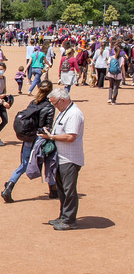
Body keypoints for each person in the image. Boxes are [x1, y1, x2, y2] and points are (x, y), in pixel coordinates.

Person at [1, 80, 54, 203]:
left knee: (24, 164)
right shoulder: (49, 107)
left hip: (28, 137)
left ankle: (9, 186)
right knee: (49, 161)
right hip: (40, 138)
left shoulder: (33, 103)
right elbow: (47, 127)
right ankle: (53, 189)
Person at [45, 87, 85, 230]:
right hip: (61, 158)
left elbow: (70, 136)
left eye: (55, 103)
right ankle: (63, 216)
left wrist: (51, 137)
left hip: (70, 159)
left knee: (69, 190)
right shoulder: (64, 112)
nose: (54, 106)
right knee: (62, 190)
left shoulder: (74, 114)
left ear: (62, 100)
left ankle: (69, 221)